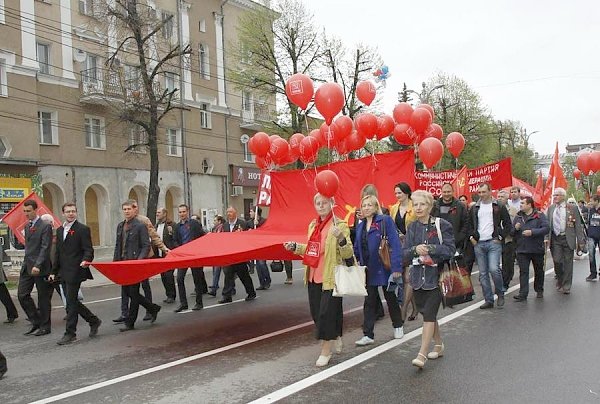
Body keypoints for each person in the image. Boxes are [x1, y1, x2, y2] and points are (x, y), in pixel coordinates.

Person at [284, 193, 354, 367]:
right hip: (313, 275)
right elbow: (311, 249)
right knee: (317, 313)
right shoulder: (313, 225)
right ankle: (335, 335)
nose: (321, 206)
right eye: (318, 203)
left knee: (325, 314)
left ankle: (325, 350)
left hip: (331, 276)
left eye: (324, 203)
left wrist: (341, 239)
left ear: (332, 203)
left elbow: (348, 253)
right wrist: (295, 247)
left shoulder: (340, 225)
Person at [403, 190, 455, 368]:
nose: (418, 208)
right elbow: (404, 254)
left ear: (430, 206)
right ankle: (439, 345)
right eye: (415, 204)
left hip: (437, 278)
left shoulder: (442, 225)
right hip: (418, 279)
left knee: (429, 316)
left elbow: (449, 249)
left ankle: (422, 354)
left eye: (422, 204)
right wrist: (414, 250)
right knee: (428, 314)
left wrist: (431, 248)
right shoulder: (412, 227)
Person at [354, 195, 404, 347]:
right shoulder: (361, 225)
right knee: (369, 301)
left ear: (376, 207)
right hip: (368, 268)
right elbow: (357, 246)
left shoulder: (385, 221)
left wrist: (396, 268)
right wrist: (356, 262)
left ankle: (398, 326)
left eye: (370, 205)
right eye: (364, 205)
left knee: (390, 297)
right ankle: (368, 334)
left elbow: (395, 244)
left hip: (384, 266)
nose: (367, 207)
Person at [49, 202, 101, 345]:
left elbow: (88, 249)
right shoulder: (60, 230)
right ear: (63, 213)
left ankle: (70, 333)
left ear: (76, 213)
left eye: (73, 211)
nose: (71, 213)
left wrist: (86, 260)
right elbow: (58, 252)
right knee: (72, 302)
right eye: (68, 211)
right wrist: (53, 271)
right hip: (62, 272)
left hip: (76, 270)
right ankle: (93, 320)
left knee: (70, 303)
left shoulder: (82, 229)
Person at [114, 200, 167, 323]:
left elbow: (148, 243)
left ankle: (131, 321)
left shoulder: (141, 223)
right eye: (125, 209)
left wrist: (140, 260)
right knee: (127, 291)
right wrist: (115, 262)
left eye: (129, 209)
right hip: (124, 262)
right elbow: (119, 245)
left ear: (135, 209)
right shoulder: (121, 226)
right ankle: (151, 308)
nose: (127, 211)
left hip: (137, 262)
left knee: (135, 290)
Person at [468, 183, 512, 309]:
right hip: (479, 243)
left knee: (494, 269)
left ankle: (500, 292)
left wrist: (500, 236)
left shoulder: (498, 206)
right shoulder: (475, 207)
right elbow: (469, 224)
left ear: (490, 191)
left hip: (493, 241)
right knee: (483, 274)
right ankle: (488, 299)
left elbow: (508, 224)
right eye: (479, 192)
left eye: (483, 192)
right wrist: (472, 237)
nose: (481, 195)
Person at [18, 199, 53, 336]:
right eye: (24, 211)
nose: (26, 214)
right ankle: (36, 321)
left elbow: (45, 247)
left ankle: (45, 326)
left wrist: (38, 265)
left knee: (43, 297)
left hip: (40, 267)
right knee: (22, 294)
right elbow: (28, 248)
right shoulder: (27, 226)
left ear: (35, 210)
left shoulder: (45, 226)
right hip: (27, 266)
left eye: (29, 211)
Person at [547, 188, 586, 294]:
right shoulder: (551, 208)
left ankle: (567, 285)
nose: (555, 197)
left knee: (568, 262)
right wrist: (546, 238)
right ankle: (560, 280)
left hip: (568, 237)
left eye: (557, 195)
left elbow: (578, 225)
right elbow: (548, 225)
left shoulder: (572, 208)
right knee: (557, 261)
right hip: (555, 239)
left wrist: (581, 241)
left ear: (563, 196)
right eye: (554, 195)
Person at [511, 197, 549, 301]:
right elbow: (511, 233)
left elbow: (546, 228)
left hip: (536, 248)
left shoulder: (539, 215)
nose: (521, 205)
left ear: (529, 205)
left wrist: (532, 232)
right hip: (522, 249)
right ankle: (523, 294)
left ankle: (539, 289)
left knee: (538, 270)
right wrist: (516, 228)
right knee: (523, 272)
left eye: (523, 203)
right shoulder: (518, 216)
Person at [390, 182, 417, 320]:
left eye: (399, 192)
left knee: (408, 278)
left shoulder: (415, 206)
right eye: (395, 193)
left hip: (414, 245)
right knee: (404, 279)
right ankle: (415, 309)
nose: (397, 195)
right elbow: (391, 226)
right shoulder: (394, 208)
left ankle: (404, 308)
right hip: (400, 246)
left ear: (407, 193)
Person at [173, 204, 207, 311]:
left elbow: (202, 236)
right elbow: (175, 240)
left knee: (197, 279)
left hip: (194, 255)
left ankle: (199, 303)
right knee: (179, 278)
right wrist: (179, 249)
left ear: (187, 212)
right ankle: (183, 303)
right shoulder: (177, 226)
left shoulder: (194, 224)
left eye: (183, 212)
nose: (182, 214)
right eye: (180, 212)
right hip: (183, 256)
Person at [219, 207, 256, 304]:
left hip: (239, 254)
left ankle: (251, 292)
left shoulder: (243, 223)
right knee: (228, 274)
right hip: (229, 254)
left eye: (231, 212)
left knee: (243, 275)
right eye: (227, 212)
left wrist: (255, 224)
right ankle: (227, 295)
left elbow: (251, 233)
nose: (229, 214)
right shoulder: (225, 225)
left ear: (235, 213)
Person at [498, 188, 519, 290]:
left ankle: (506, 281)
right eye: (498, 197)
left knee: (508, 262)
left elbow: (516, 224)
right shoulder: (493, 209)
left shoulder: (513, 210)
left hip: (509, 239)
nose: (500, 198)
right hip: (496, 239)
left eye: (502, 197)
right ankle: (500, 281)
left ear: (507, 198)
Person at [155, 208, 176, 303]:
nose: (157, 214)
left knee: (169, 275)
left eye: (159, 213)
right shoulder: (156, 225)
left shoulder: (171, 225)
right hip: (159, 255)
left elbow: (175, 238)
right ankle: (168, 294)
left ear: (165, 214)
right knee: (163, 275)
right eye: (157, 213)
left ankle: (172, 295)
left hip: (169, 254)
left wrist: (171, 233)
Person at [247, 207, 271, 290]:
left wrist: (258, 225)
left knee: (262, 263)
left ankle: (267, 280)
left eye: (251, 211)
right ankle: (261, 283)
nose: (250, 213)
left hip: (262, 245)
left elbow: (266, 232)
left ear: (256, 212)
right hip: (254, 246)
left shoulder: (264, 221)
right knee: (257, 265)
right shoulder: (249, 222)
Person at [208, 215, 225, 296]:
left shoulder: (221, 228)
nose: (214, 222)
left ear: (219, 221)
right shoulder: (214, 229)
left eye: (215, 220)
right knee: (215, 270)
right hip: (215, 252)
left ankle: (214, 288)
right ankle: (215, 285)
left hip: (220, 252)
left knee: (218, 270)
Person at [586, 196, 600, 281]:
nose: (590, 203)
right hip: (591, 235)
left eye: (592, 201)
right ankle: (593, 273)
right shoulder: (590, 210)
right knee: (591, 254)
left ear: (597, 201)